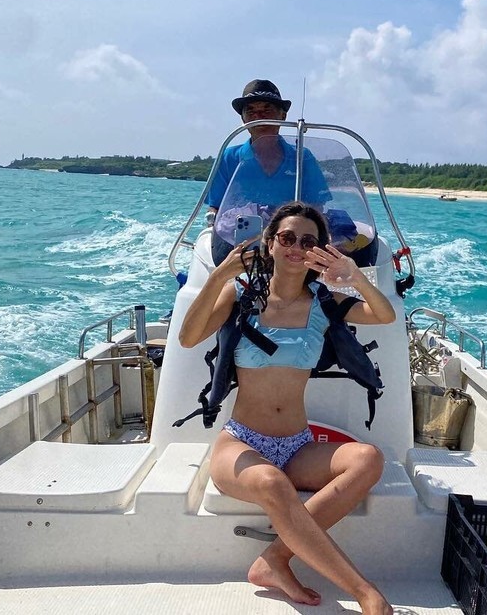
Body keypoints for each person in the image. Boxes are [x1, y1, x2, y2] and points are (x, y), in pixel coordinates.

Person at [178, 202, 395, 615]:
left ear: (320, 251)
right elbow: (188, 338)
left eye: (308, 241)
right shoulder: (240, 294)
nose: (297, 247)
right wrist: (220, 275)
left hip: (297, 445)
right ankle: (366, 594)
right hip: (241, 444)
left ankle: (274, 559)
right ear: (270, 243)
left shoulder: (324, 303)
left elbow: (383, 315)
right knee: (272, 483)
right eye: (287, 238)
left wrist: (352, 276)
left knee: (368, 459)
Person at [206, 80, 331, 264]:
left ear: (282, 115)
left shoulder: (302, 157)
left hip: (291, 243)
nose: (259, 116)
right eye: (251, 111)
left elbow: (317, 206)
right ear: (243, 119)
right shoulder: (229, 157)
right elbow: (215, 208)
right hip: (241, 243)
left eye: (267, 109)